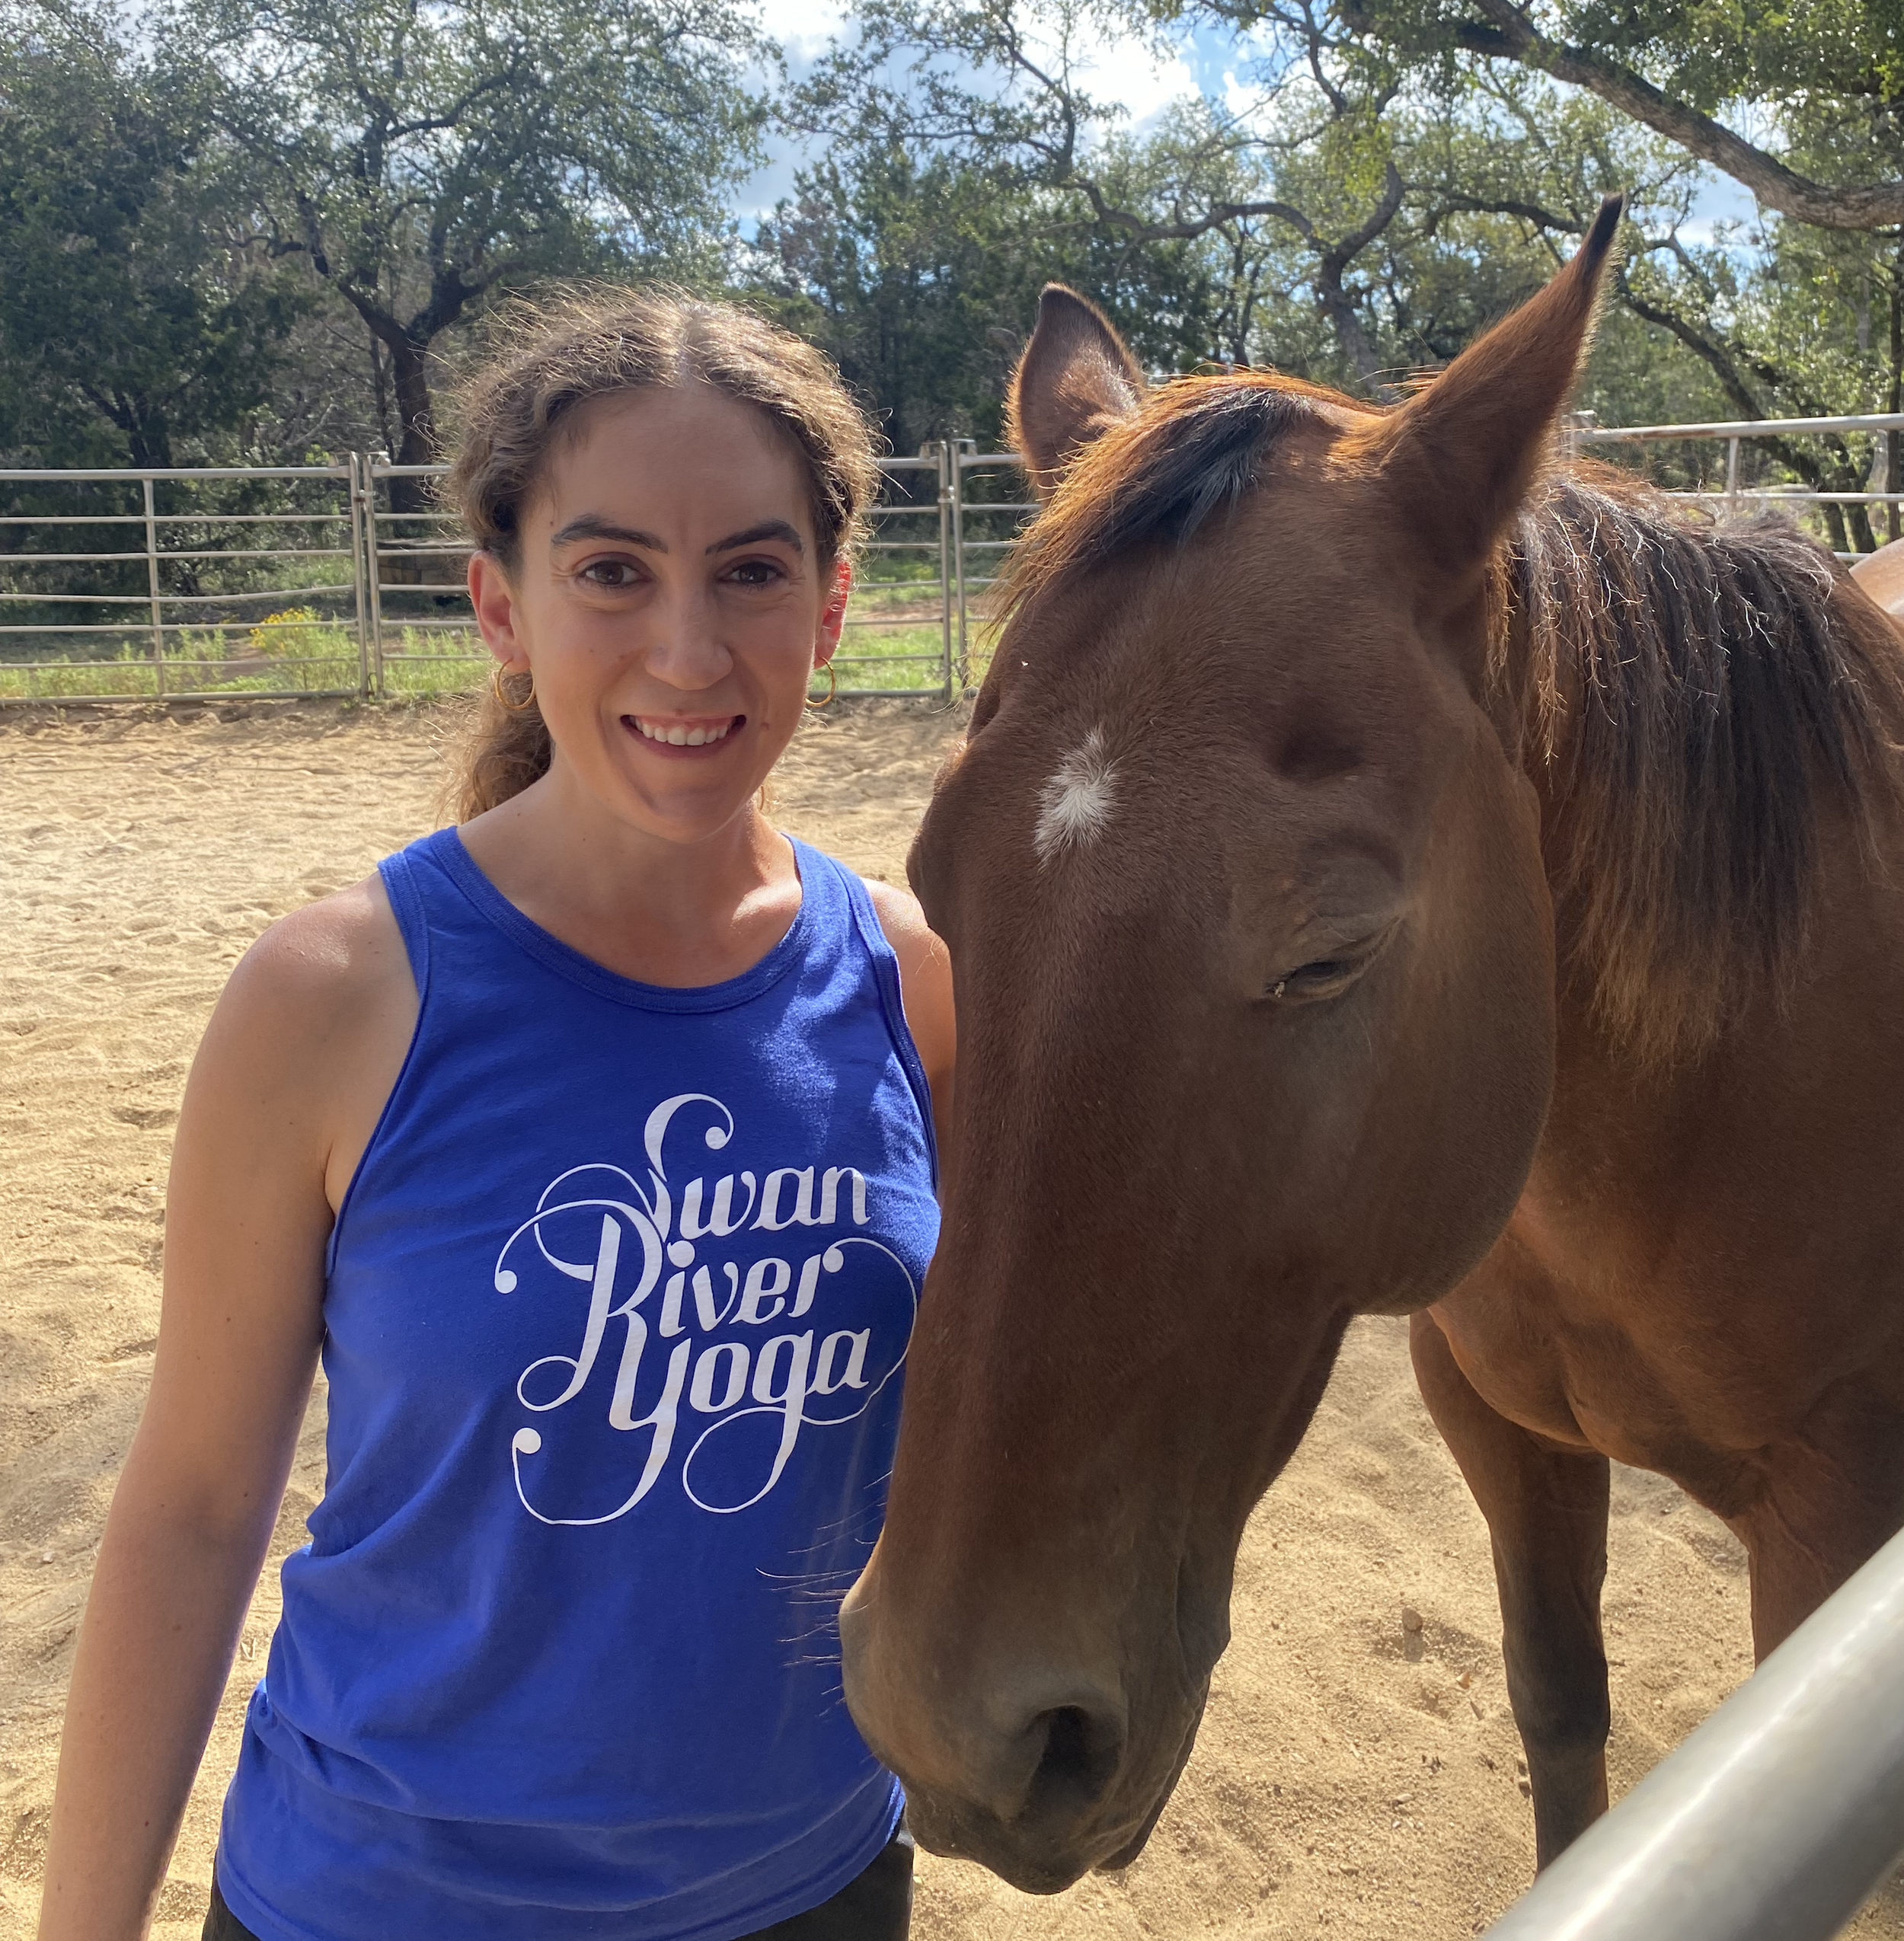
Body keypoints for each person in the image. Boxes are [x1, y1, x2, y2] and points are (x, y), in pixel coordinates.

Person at [37, 292, 954, 1941]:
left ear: (829, 607)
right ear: (499, 605)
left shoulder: (903, 978)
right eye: (611, 569)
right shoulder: (331, 996)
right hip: (382, 1897)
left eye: (748, 568)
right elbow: (188, 1509)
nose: (687, 647)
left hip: (812, 1884)